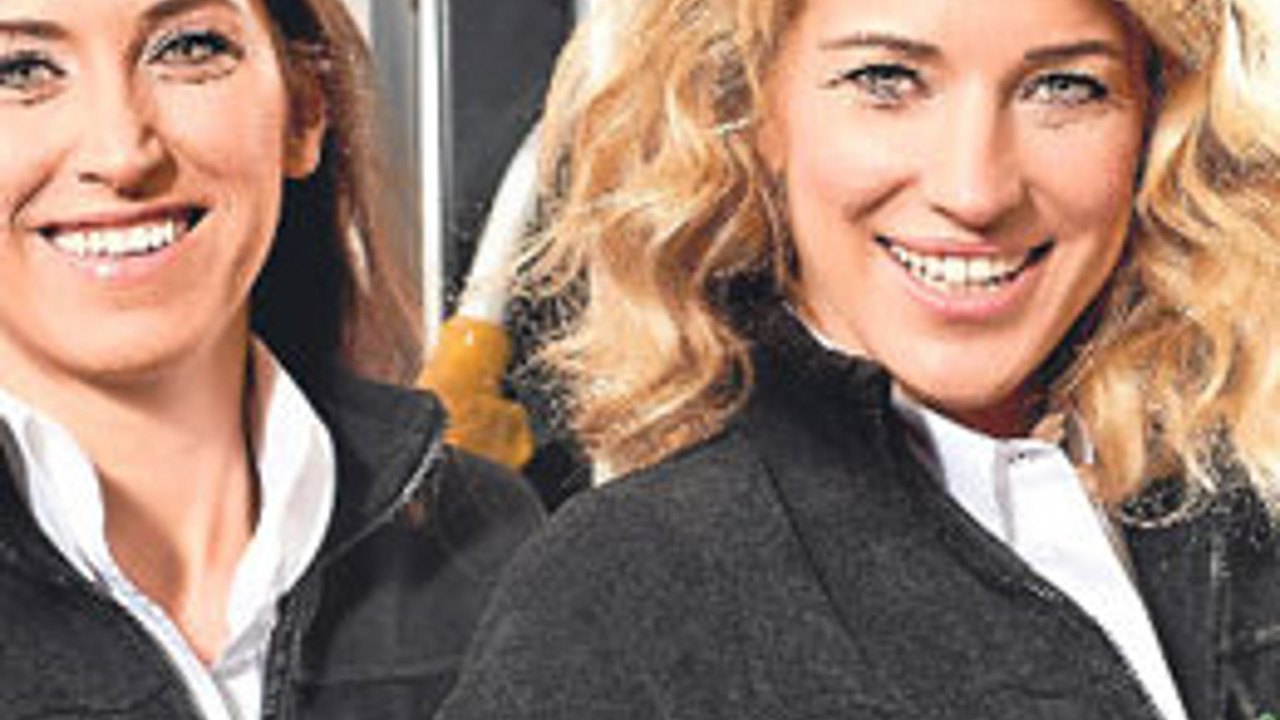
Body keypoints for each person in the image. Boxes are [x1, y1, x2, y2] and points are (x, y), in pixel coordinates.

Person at [437, 0, 1272, 718]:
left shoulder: (1237, 522)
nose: (975, 191)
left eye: (1063, 87)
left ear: (1155, 119)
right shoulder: (623, 592)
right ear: (753, 109)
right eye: (886, 79)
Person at [0, 0, 542, 718]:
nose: (121, 153)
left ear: (305, 109)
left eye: (189, 48)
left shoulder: (488, 545)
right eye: (20, 70)